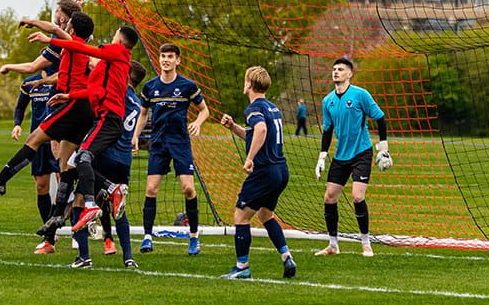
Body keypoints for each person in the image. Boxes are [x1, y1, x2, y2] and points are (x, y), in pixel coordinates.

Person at [33, 24, 138, 268]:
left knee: (79, 166)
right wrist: (69, 96)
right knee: (74, 168)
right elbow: (92, 87)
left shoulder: (115, 58)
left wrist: (52, 40)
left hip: (105, 144)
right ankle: (125, 256)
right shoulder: (125, 87)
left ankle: (85, 242)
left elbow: (83, 50)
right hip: (121, 154)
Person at [0, 13, 95, 202]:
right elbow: (67, 74)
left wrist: (32, 22)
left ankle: (0, 180)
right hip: (80, 108)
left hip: (74, 105)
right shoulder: (80, 50)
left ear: (72, 29)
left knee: (34, 139)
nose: (64, 25)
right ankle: (61, 213)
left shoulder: (75, 44)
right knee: (66, 164)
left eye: (67, 23)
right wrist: (43, 81)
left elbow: (54, 29)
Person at [133, 43, 210, 255]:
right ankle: (147, 237)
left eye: (170, 57)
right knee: (150, 190)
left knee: (188, 189)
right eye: (163, 56)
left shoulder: (187, 86)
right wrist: (135, 136)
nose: (166, 60)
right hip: (158, 143)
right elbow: (142, 114)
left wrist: (198, 122)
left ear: (178, 60)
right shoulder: (150, 87)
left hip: (180, 143)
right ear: (159, 60)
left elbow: (204, 111)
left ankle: (194, 237)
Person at [219, 66, 296, 279]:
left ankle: (242, 267)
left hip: (265, 171)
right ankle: (286, 256)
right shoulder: (272, 108)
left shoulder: (253, 109)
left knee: (241, 216)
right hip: (281, 170)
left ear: (248, 84)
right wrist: (234, 126)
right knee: (265, 214)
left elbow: (260, 130)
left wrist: (250, 158)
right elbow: (256, 135)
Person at [314, 57, 388, 258]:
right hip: (340, 156)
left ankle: (366, 243)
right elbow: (327, 131)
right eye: (334, 69)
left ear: (349, 73)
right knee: (329, 197)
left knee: (357, 196)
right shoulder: (327, 101)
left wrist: (383, 148)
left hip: (362, 152)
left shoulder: (360, 95)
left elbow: (380, 118)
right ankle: (333, 245)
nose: (336, 72)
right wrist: (322, 157)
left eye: (340, 69)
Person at [79, 60, 147, 269]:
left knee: (80, 199)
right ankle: (128, 257)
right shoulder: (136, 101)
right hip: (124, 159)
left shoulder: (118, 93)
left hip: (106, 153)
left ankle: (83, 257)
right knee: (119, 207)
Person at [11, 66, 62, 254]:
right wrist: (17, 125)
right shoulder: (30, 83)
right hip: (38, 141)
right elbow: (20, 106)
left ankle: (68, 229)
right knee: (41, 186)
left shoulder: (61, 81)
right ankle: (48, 230)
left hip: (59, 138)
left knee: (64, 185)